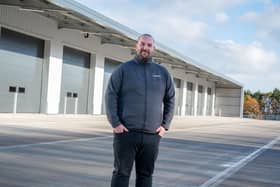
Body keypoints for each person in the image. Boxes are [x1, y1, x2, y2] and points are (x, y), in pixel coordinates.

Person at [105, 33, 175, 187]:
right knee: (121, 173)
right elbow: (110, 96)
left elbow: (170, 99)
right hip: (126, 134)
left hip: (151, 136)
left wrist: (165, 125)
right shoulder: (123, 70)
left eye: (149, 45)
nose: (145, 48)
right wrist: (115, 123)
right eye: (142, 44)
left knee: (146, 175)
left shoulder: (162, 73)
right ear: (136, 46)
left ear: (153, 49)